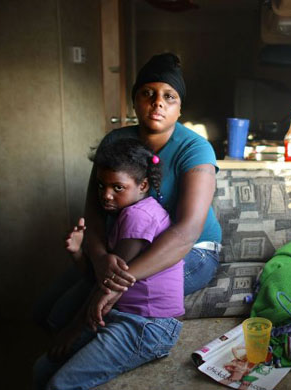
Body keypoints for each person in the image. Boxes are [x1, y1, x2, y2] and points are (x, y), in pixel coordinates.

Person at [33, 52, 222, 332]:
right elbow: (94, 212)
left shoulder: (195, 149)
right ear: (134, 100)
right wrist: (98, 259)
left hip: (191, 252)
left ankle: (71, 358)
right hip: (124, 245)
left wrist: (119, 280)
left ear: (180, 108)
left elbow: (187, 231)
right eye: (148, 93)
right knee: (44, 310)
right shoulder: (116, 141)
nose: (158, 102)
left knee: (70, 312)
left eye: (169, 97)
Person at [33, 138, 184, 389]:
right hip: (120, 314)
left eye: (117, 187)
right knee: (42, 369)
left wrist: (74, 328)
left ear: (143, 185)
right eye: (102, 185)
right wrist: (78, 253)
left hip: (147, 326)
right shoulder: (122, 214)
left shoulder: (139, 216)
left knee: (59, 384)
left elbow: (108, 284)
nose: (105, 195)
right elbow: (98, 278)